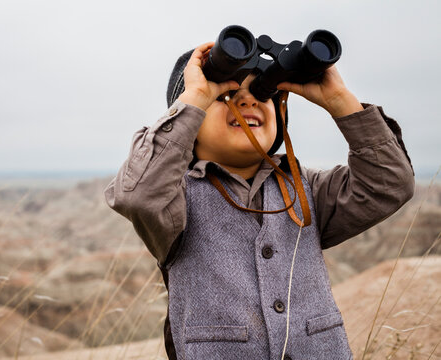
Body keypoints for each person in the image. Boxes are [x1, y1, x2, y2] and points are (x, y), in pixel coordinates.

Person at [104, 41, 415, 360]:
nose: (247, 101)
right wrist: (195, 95)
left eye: (264, 93)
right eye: (223, 95)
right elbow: (138, 195)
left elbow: (389, 185)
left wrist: (340, 101)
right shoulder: (174, 200)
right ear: (190, 122)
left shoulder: (308, 189)